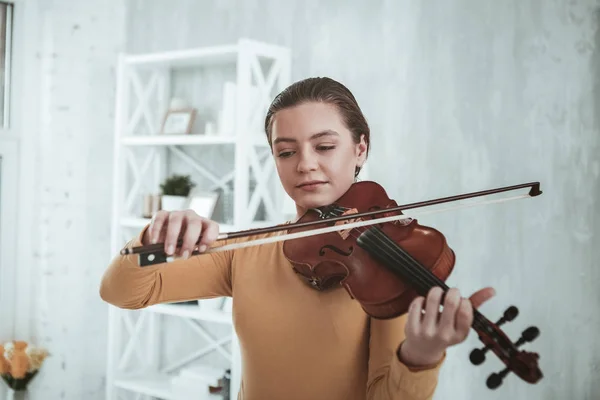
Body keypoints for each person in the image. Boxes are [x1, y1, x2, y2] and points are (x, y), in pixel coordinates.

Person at [100, 77, 495, 400]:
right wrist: (154, 236)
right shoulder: (251, 250)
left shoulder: (389, 268)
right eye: (286, 152)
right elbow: (123, 293)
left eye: (324, 146)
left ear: (360, 149)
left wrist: (420, 356)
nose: (305, 164)